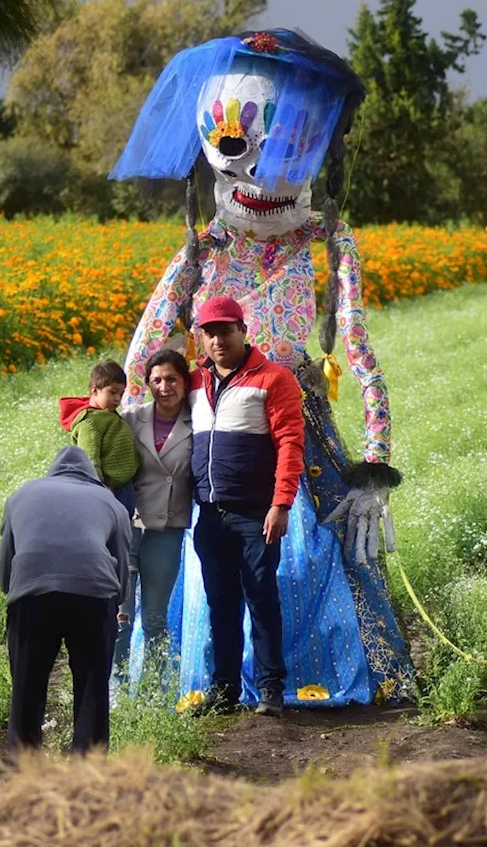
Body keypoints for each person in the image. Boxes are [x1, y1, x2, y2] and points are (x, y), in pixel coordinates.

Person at [111, 28, 414, 709]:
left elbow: (359, 351)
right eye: (238, 149)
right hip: (213, 420)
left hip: (292, 419)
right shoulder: (203, 249)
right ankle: (215, 685)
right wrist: (124, 468)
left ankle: (289, 680)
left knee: (305, 554)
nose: (259, 176)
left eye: (287, 149)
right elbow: (142, 356)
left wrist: (373, 467)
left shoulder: (326, 239)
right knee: (207, 557)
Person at [188, 295, 303, 717]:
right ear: (201, 338)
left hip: (257, 513)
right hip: (209, 514)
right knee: (221, 602)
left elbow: (291, 442)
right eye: (210, 332)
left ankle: (271, 687)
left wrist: (282, 504)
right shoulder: (194, 383)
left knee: (261, 597)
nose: (218, 340)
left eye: (225, 330)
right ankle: (225, 690)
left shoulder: (274, 379)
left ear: (243, 331)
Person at [0, 446, 131, 754]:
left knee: (27, 690)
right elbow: (122, 568)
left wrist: (15, 589)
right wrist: (116, 603)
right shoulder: (110, 503)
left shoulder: (21, 495)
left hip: (30, 596)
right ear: (91, 475)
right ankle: (88, 776)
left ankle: (24, 773)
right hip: (94, 597)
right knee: (92, 689)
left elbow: (6, 567)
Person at [113, 348, 194, 678]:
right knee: (121, 614)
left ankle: (152, 691)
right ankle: (114, 685)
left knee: (155, 617)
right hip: (128, 527)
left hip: (167, 529)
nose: (165, 387)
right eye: (157, 380)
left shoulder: (199, 421)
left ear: (185, 382)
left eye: (172, 379)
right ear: (147, 383)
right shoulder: (131, 419)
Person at [59, 361, 141, 517]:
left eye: (121, 394)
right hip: (109, 488)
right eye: (112, 392)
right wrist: (99, 489)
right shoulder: (89, 423)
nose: (117, 399)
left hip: (124, 483)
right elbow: (89, 459)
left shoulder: (107, 414)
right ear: (95, 391)